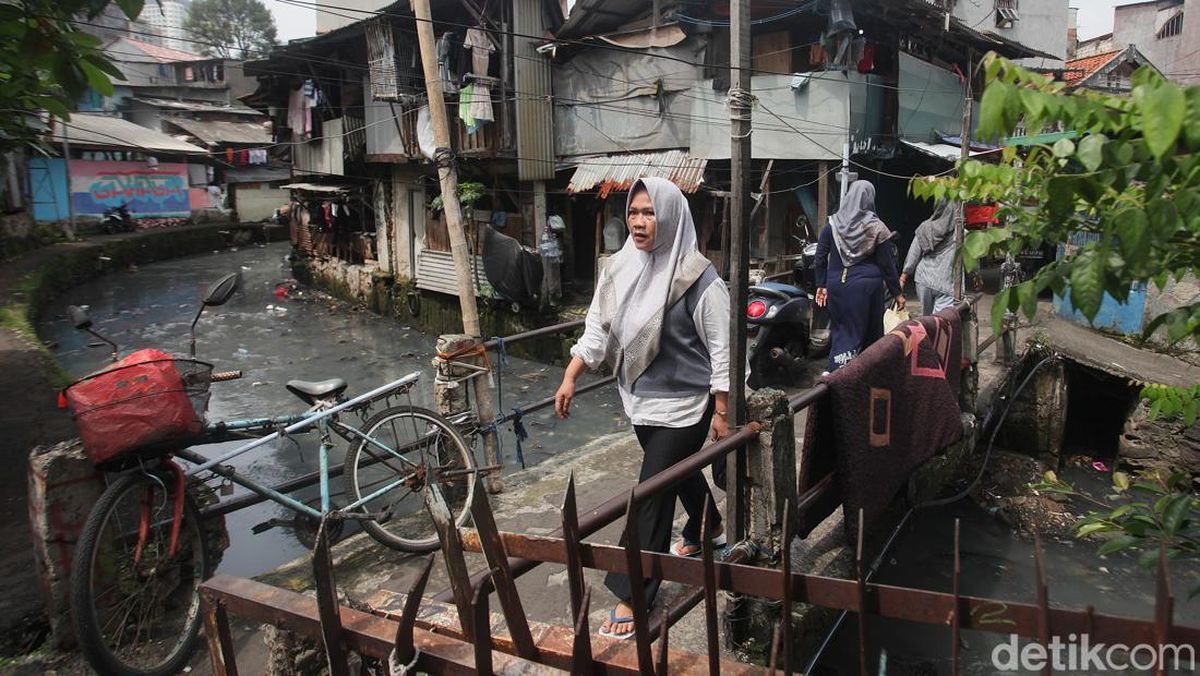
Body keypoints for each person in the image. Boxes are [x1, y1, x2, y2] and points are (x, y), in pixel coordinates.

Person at [554, 177, 730, 641]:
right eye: (633, 212)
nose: (638, 221)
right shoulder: (619, 269)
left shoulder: (698, 278)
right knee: (675, 471)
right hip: (640, 400)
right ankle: (709, 525)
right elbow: (597, 328)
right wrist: (571, 375)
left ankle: (634, 590)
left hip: (689, 404)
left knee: (651, 490)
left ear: (669, 216)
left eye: (649, 212)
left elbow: (724, 348)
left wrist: (723, 408)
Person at [814, 180, 903, 373]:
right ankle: (865, 372)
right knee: (870, 333)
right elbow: (887, 265)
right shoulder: (876, 227)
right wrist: (897, 293)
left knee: (842, 331)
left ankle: (834, 370)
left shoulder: (833, 224)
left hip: (837, 284)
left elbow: (820, 255)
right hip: (867, 288)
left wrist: (821, 284)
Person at [900, 200, 960, 316]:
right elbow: (970, 257)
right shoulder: (960, 232)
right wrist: (975, 276)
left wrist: (903, 277)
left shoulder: (924, 227)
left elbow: (913, 255)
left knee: (926, 318)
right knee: (940, 321)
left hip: (923, 280)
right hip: (945, 282)